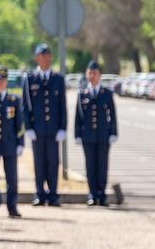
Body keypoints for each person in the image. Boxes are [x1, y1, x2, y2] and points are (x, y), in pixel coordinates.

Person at [24, 43, 67, 207]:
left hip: (54, 129)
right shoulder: (29, 79)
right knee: (39, 163)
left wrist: (63, 127)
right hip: (37, 129)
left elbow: (62, 106)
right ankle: (39, 193)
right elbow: (26, 106)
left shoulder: (58, 79)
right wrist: (28, 127)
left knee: (53, 162)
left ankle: (53, 194)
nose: (45, 59)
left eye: (47, 55)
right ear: (36, 58)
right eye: (42, 56)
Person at [73, 62, 117, 206]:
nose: (92, 76)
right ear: (87, 75)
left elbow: (113, 114)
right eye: (90, 73)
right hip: (88, 136)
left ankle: (102, 195)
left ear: (100, 75)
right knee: (90, 166)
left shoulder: (107, 93)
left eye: (95, 73)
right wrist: (77, 134)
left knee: (102, 166)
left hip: (103, 136)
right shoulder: (82, 94)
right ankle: (92, 194)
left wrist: (113, 132)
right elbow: (78, 116)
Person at [0, 66, 26, 218]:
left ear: (6, 81)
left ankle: (12, 207)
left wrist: (20, 143)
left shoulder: (14, 100)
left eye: (2, 80)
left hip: (10, 144)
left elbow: (20, 124)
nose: (0, 83)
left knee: (12, 178)